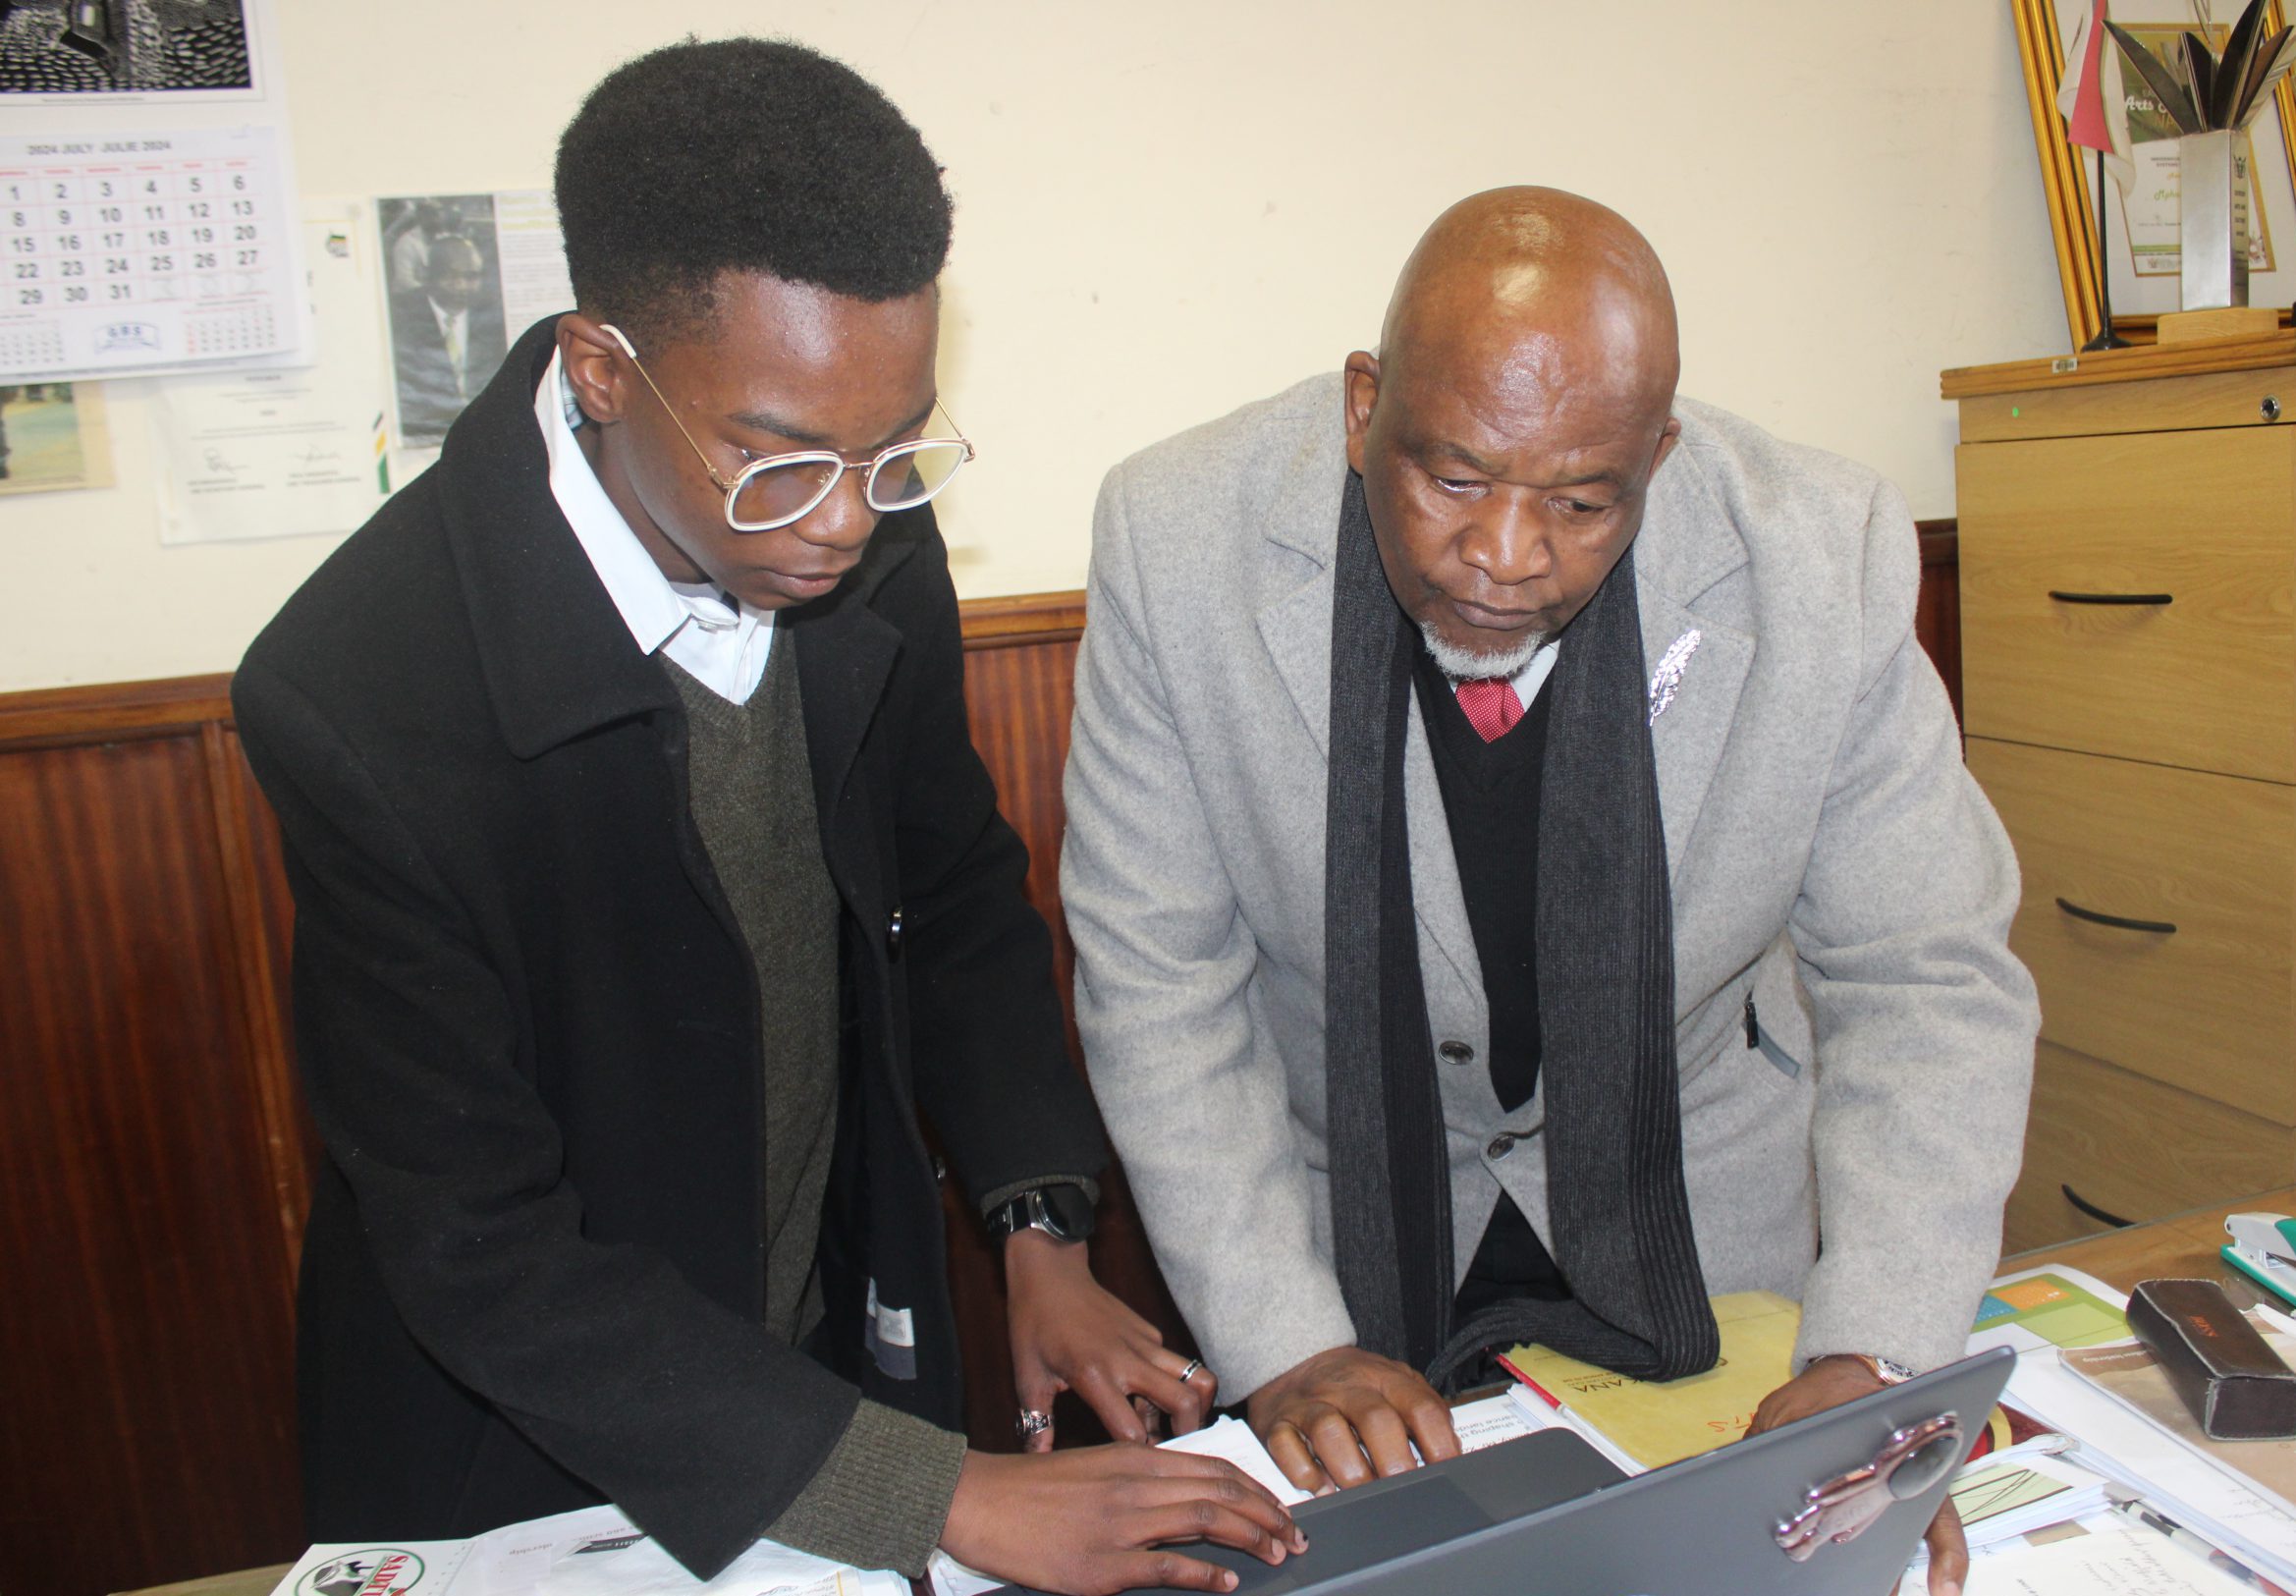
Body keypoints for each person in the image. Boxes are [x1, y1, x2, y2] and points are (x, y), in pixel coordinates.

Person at [235, 38, 1304, 1596]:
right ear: (603, 372)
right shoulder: (360, 694)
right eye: (777, 461)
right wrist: (941, 1494)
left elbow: (945, 893)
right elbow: (484, 1250)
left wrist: (1037, 1223)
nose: (843, 520)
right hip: (522, 1449)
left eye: (891, 447)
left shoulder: (857, 515)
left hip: (826, 1346)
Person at [1061, 187, 2039, 1595]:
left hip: (1702, 1217)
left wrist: (1873, 1353)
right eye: (1450, 479)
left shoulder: (1824, 551)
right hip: (1334, 1228)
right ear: (1360, 408)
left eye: (1583, 502)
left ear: (1659, 456)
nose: (1507, 557)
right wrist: (1288, 1341)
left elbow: (1923, 972)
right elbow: (1160, 984)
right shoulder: (1176, 536)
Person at [388, 232, 509, 442]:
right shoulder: (399, 318)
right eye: (450, 275)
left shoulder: (495, 318)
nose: (461, 285)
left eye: (471, 277)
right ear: (426, 274)